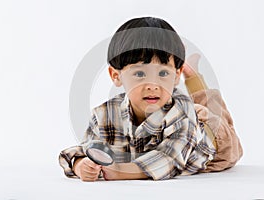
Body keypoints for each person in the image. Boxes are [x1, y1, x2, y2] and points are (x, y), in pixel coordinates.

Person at [59, 17, 243, 181]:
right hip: (179, 115)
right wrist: (81, 165)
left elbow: (168, 160)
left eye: (163, 72)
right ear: (116, 76)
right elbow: (84, 150)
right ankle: (179, 65)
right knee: (194, 108)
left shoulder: (184, 115)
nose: (153, 85)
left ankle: (193, 75)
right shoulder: (104, 115)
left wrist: (120, 172)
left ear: (175, 76)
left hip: (211, 143)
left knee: (215, 117)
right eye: (139, 73)